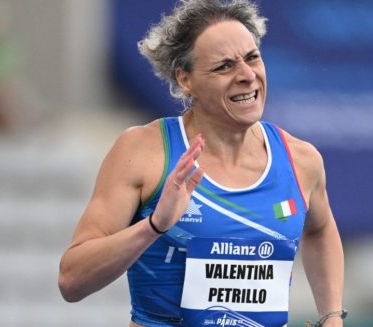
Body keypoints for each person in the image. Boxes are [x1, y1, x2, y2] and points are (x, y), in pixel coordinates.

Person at [58, 0, 345, 326]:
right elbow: (72, 280)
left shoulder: (301, 160)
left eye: (252, 58)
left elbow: (320, 231)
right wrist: (153, 227)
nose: (247, 75)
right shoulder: (144, 153)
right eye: (224, 66)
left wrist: (332, 316)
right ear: (185, 80)